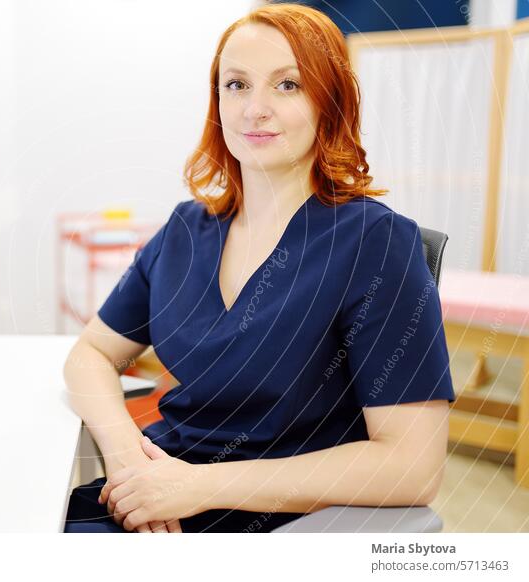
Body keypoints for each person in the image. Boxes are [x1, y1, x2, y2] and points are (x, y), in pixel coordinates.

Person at [63, 3, 455, 533]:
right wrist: (127, 457)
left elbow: (412, 465)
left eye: (288, 85)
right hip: (152, 492)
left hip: (270, 522)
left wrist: (196, 488)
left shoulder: (375, 244)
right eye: (237, 85)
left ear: (329, 102)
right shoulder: (187, 230)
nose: (255, 109)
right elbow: (91, 351)